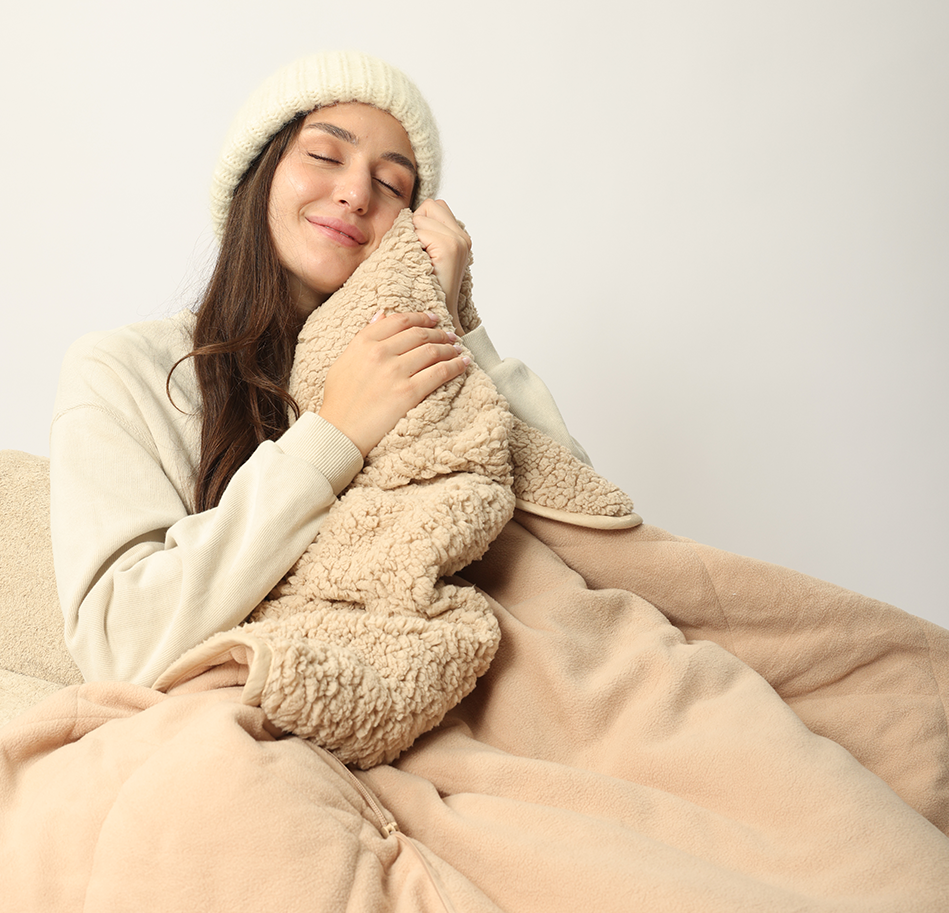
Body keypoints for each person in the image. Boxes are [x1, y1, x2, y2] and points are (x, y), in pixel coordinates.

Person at [50, 51, 590, 687]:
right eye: (325, 156)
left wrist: (457, 325)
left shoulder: (414, 359)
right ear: (258, 174)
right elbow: (117, 646)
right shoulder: (123, 372)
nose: (356, 193)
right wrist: (335, 434)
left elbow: (582, 529)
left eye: (392, 186)